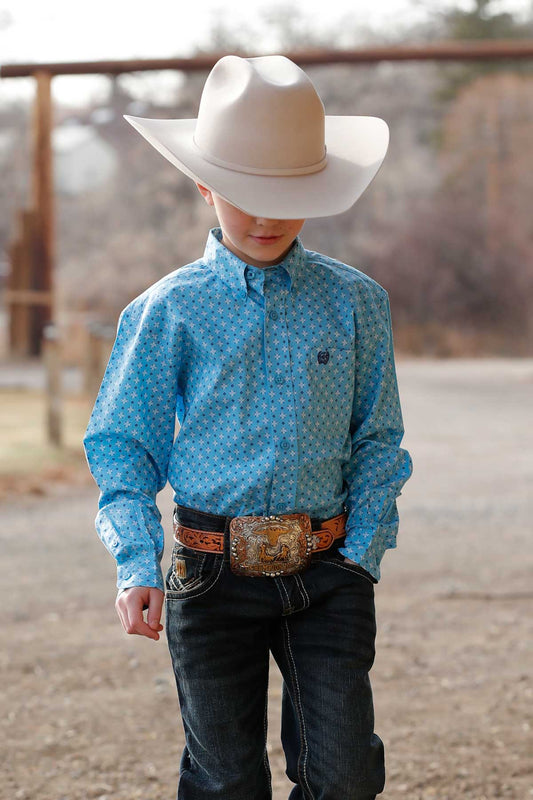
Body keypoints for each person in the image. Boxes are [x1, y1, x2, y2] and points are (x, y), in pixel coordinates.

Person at [84, 54, 413, 800]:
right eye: (242, 194)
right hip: (209, 575)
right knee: (226, 778)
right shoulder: (166, 311)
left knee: (344, 776)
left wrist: (359, 553)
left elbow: (377, 439)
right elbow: (124, 448)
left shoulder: (357, 304)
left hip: (329, 574)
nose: (264, 216)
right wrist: (136, 563)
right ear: (205, 185)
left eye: (286, 195)